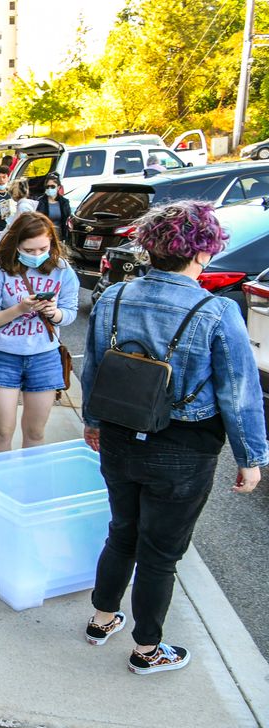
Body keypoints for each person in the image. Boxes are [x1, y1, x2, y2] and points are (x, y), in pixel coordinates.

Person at [80, 201, 267, 675]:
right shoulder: (217, 310)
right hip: (183, 447)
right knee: (160, 552)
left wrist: (94, 423)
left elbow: (94, 369)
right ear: (202, 252)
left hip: (119, 435)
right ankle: (147, 650)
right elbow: (239, 391)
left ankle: (102, 620)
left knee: (122, 532)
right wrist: (251, 457)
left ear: (149, 246)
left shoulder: (114, 298)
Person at [0, 212, 80, 453]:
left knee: (35, 432)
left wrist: (54, 313)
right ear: (16, 245)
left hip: (45, 356)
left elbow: (70, 312)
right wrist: (20, 308)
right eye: (29, 250)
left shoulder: (63, 271)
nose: (36, 255)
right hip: (3, 356)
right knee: (2, 431)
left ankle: (30, 486)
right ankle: (0, 487)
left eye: (42, 248)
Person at [35, 172, 71, 242]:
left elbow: (67, 220)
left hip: (60, 237)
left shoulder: (64, 202)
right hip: (45, 236)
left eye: (52, 186)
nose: (49, 188)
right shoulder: (40, 202)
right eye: (47, 187)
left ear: (58, 187)